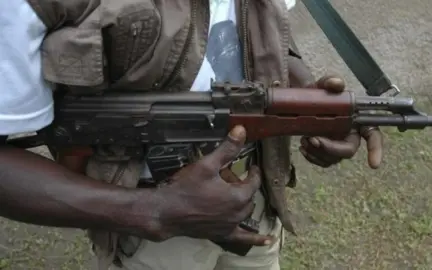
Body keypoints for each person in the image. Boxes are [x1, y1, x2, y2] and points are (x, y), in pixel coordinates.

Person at [0, 0, 384, 269]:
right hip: (148, 242)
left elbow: (262, 27)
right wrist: (153, 211)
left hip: (251, 203)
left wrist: (312, 102)